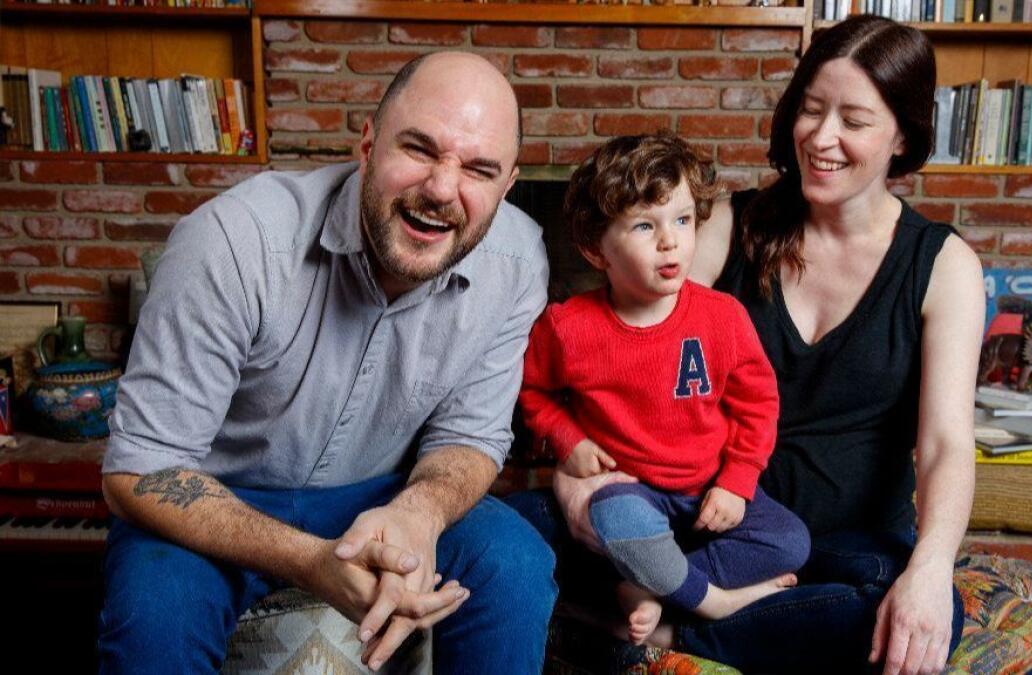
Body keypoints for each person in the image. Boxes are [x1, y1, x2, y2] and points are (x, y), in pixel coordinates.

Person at [509, 15, 983, 674]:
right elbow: (630, 342)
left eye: (854, 120)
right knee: (511, 526)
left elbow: (945, 444)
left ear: (903, 133)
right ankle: (698, 602)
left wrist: (931, 568)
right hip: (694, 516)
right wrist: (570, 477)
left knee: (906, 613)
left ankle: (667, 625)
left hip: (841, 543)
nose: (822, 137)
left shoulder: (944, 265)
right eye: (811, 110)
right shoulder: (732, 224)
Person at [98, 51, 556, 674]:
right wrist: (314, 561)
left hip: (383, 495)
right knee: (155, 608)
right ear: (367, 143)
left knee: (517, 561)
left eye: (479, 169)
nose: (443, 189)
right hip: (216, 502)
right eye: (419, 149)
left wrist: (417, 516)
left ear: (507, 184)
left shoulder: (518, 260)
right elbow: (140, 470)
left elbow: (470, 436)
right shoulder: (234, 241)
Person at [519, 134, 811, 645]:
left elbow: (758, 404)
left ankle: (648, 582)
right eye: (643, 226)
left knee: (791, 542)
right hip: (632, 488)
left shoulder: (723, 317)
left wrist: (737, 482)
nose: (670, 241)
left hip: (707, 487)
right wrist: (568, 440)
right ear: (596, 249)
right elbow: (533, 392)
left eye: (681, 220)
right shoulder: (568, 327)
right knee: (616, 516)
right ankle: (713, 600)